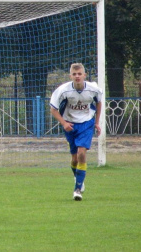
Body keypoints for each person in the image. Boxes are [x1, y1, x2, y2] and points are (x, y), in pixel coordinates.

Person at [50, 63, 102, 201]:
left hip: (86, 123)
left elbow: (99, 103)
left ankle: (77, 189)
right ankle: (79, 177)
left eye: (80, 74)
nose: (77, 76)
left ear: (84, 75)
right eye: (74, 74)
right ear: (70, 76)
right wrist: (64, 123)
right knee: (74, 159)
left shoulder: (93, 89)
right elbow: (53, 109)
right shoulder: (63, 90)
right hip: (70, 124)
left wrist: (97, 122)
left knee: (81, 153)